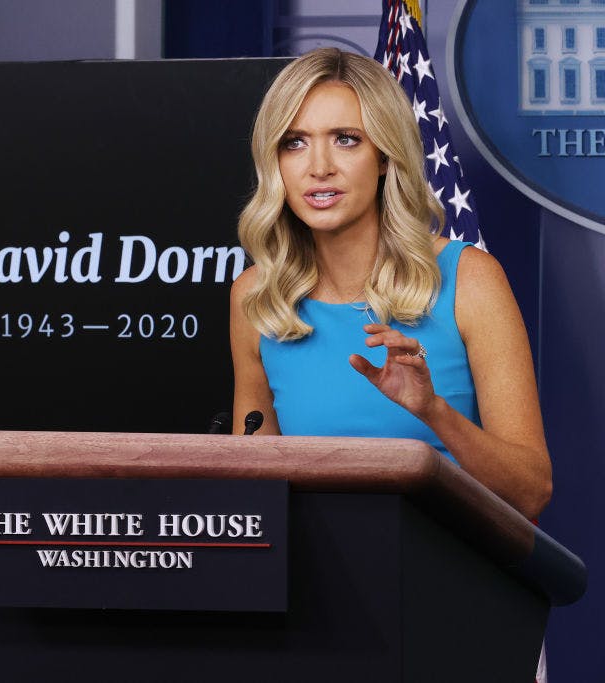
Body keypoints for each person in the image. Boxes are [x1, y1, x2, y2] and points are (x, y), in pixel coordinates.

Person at [229, 48, 551, 519]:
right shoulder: (257, 296)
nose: (319, 166)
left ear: (383, 156)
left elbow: (531, 492)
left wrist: (432, 410)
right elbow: (250, 492)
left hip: (439, 557)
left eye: (346, 139)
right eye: (294, 142)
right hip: (309, 561)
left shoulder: (469, 278)